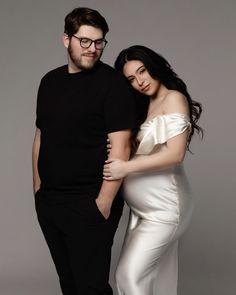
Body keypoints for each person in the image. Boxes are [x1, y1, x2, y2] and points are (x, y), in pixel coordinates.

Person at [32, 7, 136, 295]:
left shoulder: (113, 84)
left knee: (91, 287)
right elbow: (41, 135)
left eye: (99, 42)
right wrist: (38, 189)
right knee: (70, 286)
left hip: (90, 202)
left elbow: (121, 146)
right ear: (67, 39)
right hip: (51, 201)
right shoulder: (49, 82)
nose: (93, 49)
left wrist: (102, 204)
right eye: (85, 41)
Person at [103, 45, 203, 295]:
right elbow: (144, 148)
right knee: (153, 280)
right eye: (131, 79)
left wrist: (125, 167)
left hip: (165, 206)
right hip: (142, 210)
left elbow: (175, 154)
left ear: (154, 66)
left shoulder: (173, 98)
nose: (140, 81)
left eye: (143, 71)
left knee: (129, 275)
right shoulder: (144, 105)